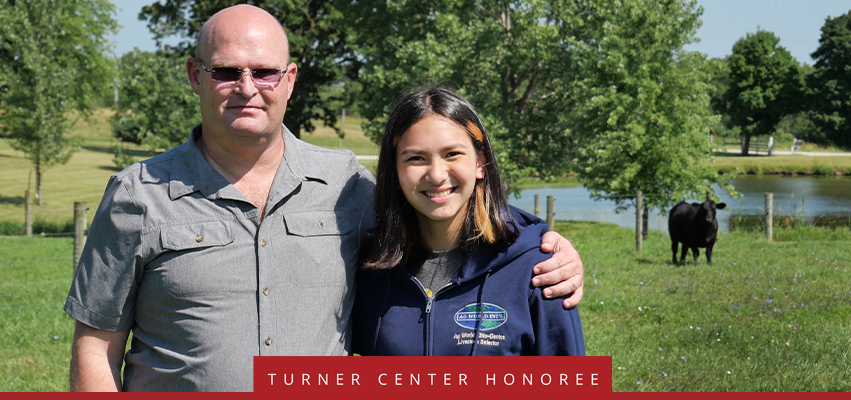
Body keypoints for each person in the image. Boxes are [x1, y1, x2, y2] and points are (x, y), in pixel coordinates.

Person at [65, 5, 585, 392]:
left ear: (289, 80)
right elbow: (95, 347)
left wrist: (541, 243)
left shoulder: (343, 183)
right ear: (195, 75)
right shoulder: (137, 194)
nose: (248, 87)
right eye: (226, 71)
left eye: (265, 71)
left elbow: (437, 199)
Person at [352, 88, 584, 356]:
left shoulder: (540, 270)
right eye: (416, 158)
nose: (437, 175)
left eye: (452, 154)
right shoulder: (370, 270)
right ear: (395, 171)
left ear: (480, 162)